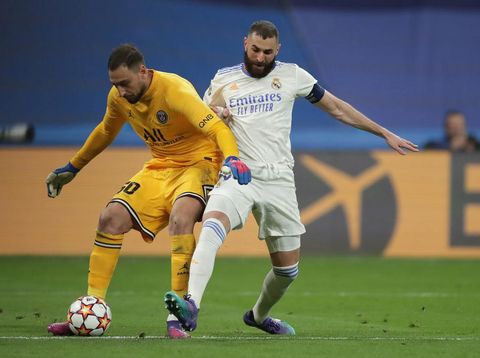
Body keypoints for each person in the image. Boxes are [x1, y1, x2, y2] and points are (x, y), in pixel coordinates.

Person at [163, 20, 419, 335]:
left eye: (267, 52)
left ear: (277, 50)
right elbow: (202, 122)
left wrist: (383, 133)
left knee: (287, 271)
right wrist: (216, 116)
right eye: (255, 49)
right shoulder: (222, 80)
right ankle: (192, 305)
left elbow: (337, 108)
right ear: (246, 43)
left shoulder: (293, 75)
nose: (259, 58)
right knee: (213, 227)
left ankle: (257, 316)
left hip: (279, 180)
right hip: (239, 174)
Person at [45, 44, 251, 339]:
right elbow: (105, 131)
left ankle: (178, 316)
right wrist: (72, 167)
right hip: (160, 167)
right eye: (114, 84)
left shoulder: (175, 89)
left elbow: (217, 128)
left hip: (199, 163)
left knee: (181, 218)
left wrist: (232, 158)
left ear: (142, 72)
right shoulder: (118, 97)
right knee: (110, 218)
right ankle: (90, 309)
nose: (120, 91)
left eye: (125, 83)